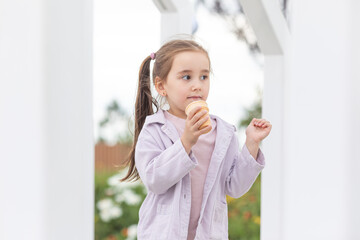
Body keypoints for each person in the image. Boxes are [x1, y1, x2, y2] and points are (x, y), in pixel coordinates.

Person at [120, 38, 272, 240]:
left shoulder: (224, 133)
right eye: (186, 77)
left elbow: (234, 187)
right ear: (161, 86)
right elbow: (154, 180)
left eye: (204, 77)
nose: (197, 85)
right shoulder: (154, 129)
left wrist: (252, 143)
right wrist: (186, 141)